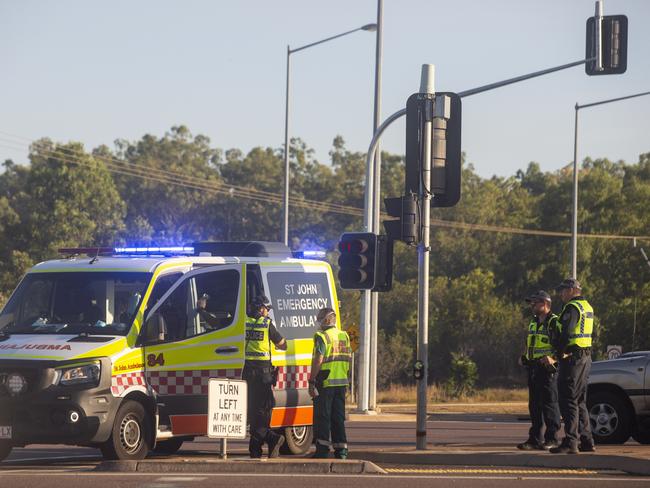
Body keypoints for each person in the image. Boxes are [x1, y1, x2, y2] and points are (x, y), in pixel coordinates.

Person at [548, 278, 596, 454]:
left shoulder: (572, 308)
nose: (561, 294)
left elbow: (566, 333)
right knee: (580, 400)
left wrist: (559, 353)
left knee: (568, 400)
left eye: (563, 291)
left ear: (571, 290)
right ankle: (587, 441)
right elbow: (591, 334)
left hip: (572, 359)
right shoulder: (588, 307)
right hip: (585, 357)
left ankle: (570, 441)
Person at [516, 290, 561, 450]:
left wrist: (554, 359)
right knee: (534, 405)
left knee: (549, 404)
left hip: (548, 370)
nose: (532, 306)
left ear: (545, 303)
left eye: (535, 302)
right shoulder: (533, 322)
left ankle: (552, 438)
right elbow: (532, 344)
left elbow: (562, 345)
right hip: (533, 368)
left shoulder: (554, 322)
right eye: (531, 303)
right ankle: (535, 439)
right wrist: (525, 358)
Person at [243, 295, 287, 458]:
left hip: (248, 374)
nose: (268, 312)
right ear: (260, 308)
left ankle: (255, 449)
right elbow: (282, 344)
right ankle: (272, 438)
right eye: (267, 309)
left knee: (254, 412)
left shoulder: (243, 323)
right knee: (262, 412)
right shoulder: (267, 324)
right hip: (263, 376)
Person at [308, 307, 352, 459]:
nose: (318, 322)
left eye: (320, 319)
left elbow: (318, 360)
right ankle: (342, 451)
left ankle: (322, 450)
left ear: (326, 320)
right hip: (341, 383)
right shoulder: (344, 335)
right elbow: (348, 358)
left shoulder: (321, 336)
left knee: (323, 417)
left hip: (325, 382)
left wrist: (311, 380)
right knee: (338, 418)